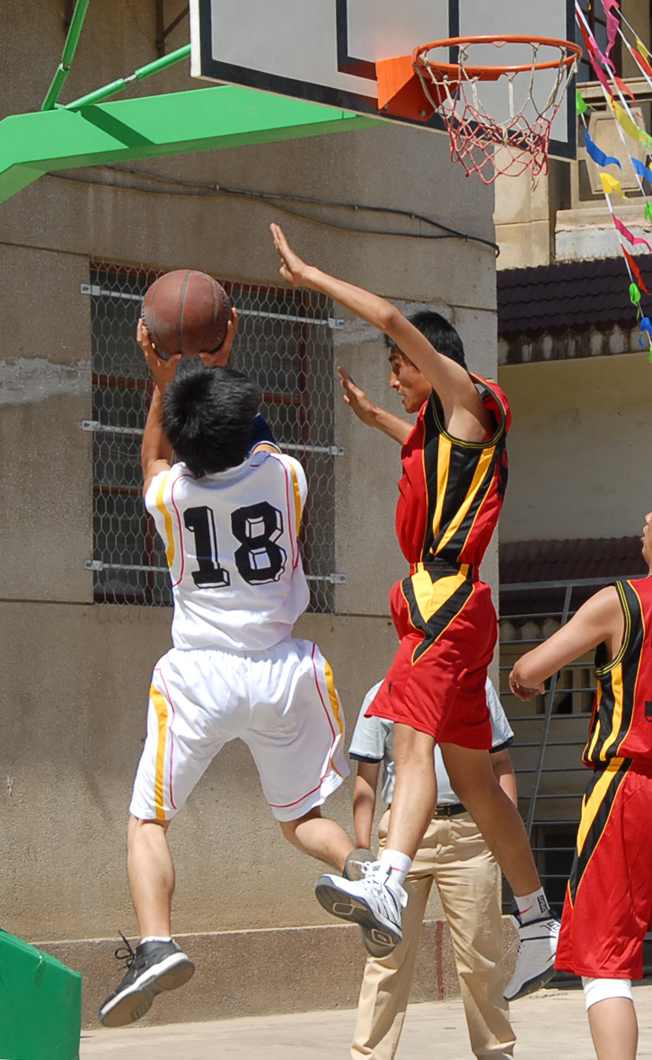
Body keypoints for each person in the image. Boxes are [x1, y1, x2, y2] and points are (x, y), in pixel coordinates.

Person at [270, 221, 558, 1001]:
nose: (394, 376)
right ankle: (538, 921)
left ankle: (389, 882)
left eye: (398, 367)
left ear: (429, 363)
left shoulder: (472, 402)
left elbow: (395, 318)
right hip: (447, 607)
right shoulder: (443, 431)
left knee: (407, 738)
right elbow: (432, 455)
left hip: (447, 607)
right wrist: (377, 419)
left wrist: (310, 274)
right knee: (474, 779)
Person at [99, 320, 354, 1027]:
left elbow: (154, 459)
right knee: (301, 818)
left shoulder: (172, 497)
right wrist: (216, 368)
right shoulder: (287, 476)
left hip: (200, 678)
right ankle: (367, 875)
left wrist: (165, 385)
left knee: (148, 820)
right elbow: (253, 434)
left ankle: (157, 943)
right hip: (282, 673)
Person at [509, 510, 652, 1060]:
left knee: (605, 961)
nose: (646, 518)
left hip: (630, 786)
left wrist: (524, 679)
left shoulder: (623, 601)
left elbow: (530, 669)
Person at [348, 678, 517, 1060]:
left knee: (482, 955)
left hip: (470, 833)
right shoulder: (382, 693)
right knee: (387, 954)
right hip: (403, 834)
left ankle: (496, 1053)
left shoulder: (478, 686)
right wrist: (361, 850)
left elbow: (500, 762)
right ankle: (368, 1055)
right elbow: (367, 778)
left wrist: (508, 833)